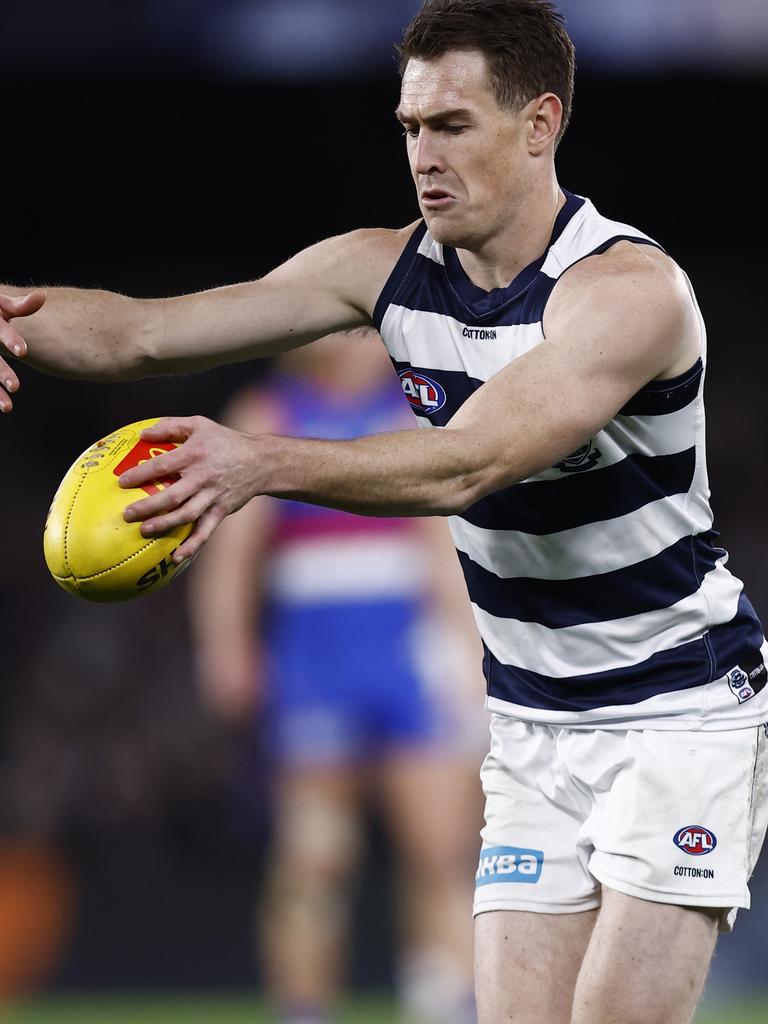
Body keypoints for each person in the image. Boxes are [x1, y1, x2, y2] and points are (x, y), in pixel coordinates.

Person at [1, 1, 767, 1020]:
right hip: (535, 725)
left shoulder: (627, 292)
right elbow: (140, 336)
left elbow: (469, 461)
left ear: (541, 125)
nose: (423, 155)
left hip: (677, 712)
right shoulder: (384, 271)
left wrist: (257, 460)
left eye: (452, 125)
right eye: (411, 128)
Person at [189, 329, 485, 1024]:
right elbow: (233, 552)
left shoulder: (410, 417)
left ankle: (447, 1003)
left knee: (440, 848)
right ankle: (303, 1010)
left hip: (410, 659)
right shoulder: (269, 417)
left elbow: (443, 547)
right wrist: (226, 644)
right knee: (314, 855)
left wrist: (470, 651)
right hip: (314, 664)